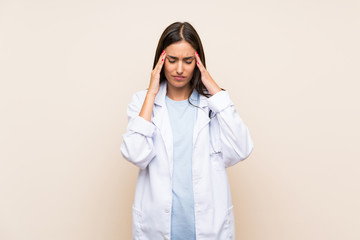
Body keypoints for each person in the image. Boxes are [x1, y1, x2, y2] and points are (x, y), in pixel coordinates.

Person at [120, 21, 254, 240]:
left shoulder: (213, 104)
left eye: (188, 60)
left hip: (208, 228)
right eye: (172, 60)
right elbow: (135, 154)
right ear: (161, 61)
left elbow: (242, 148)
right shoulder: (142, 103)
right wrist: (152, 93)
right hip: (158, 228)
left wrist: (214, 89)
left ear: (198, 62)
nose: (180, 69)